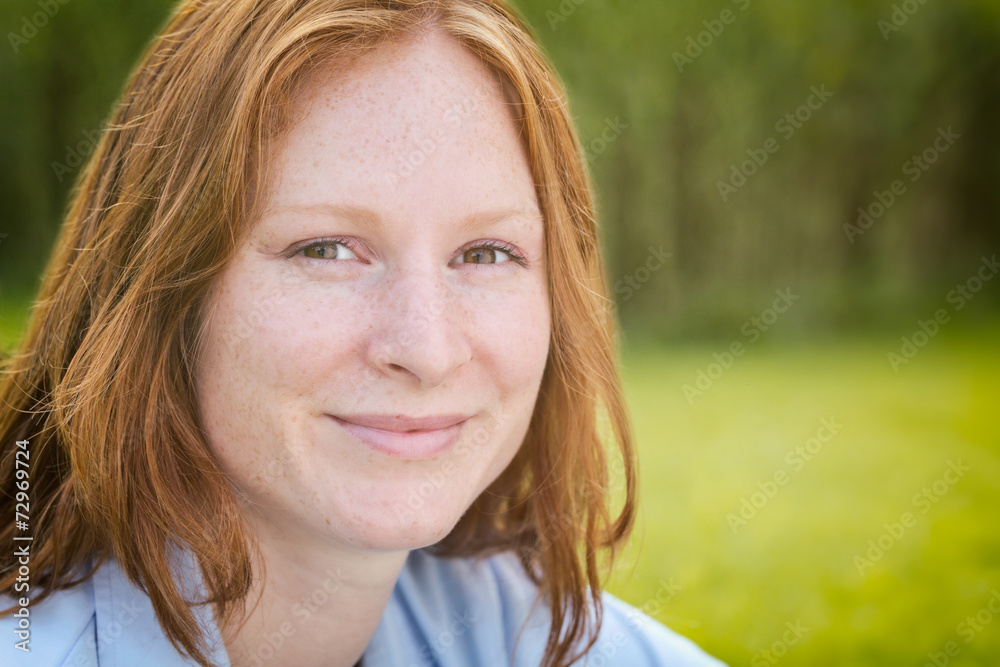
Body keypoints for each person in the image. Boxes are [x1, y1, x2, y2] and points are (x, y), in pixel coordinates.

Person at [0, 1, 725, 665]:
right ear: (161, 289)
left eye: (484, 253)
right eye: (327, 249)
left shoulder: (541, 636)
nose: (427, 349)